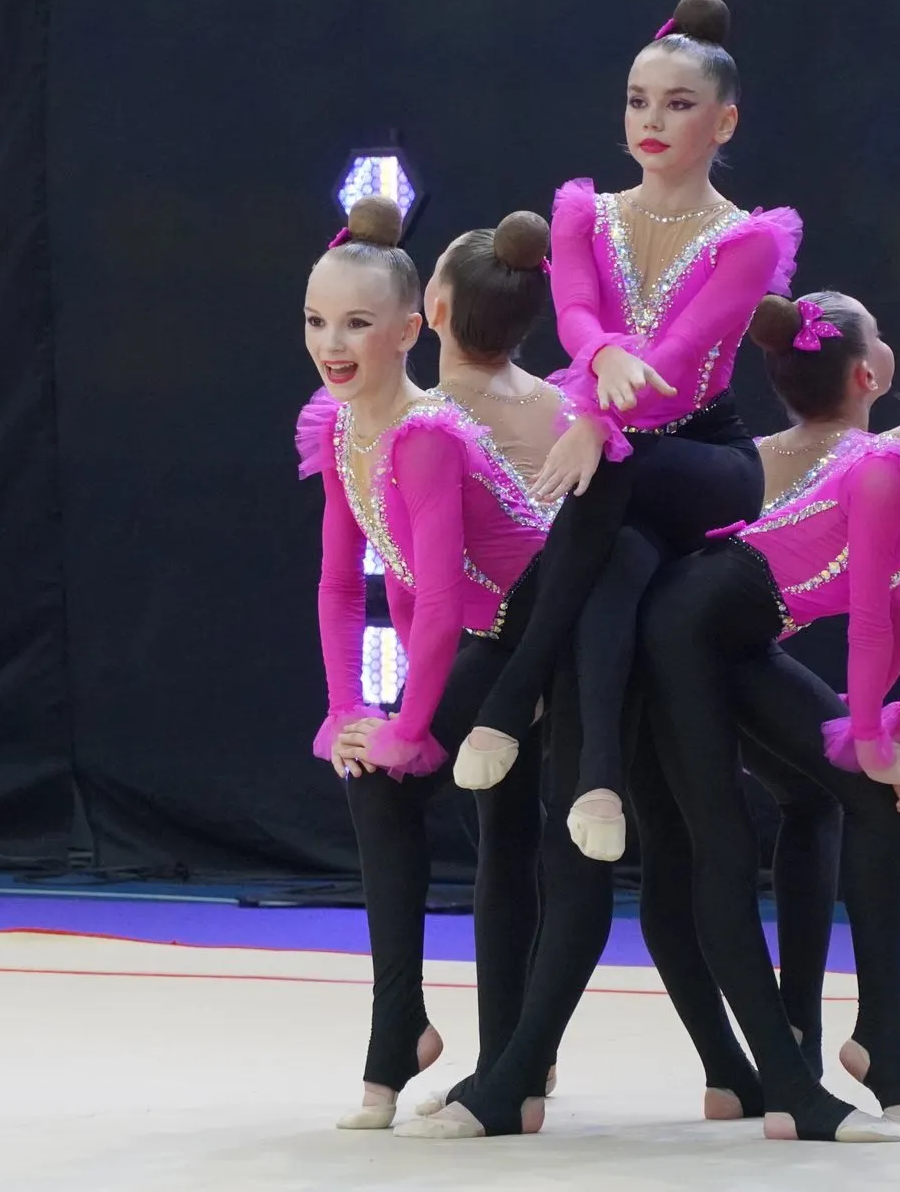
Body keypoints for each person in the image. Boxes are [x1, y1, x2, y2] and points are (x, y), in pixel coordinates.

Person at [636, 266, 900, 1139]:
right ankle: (790, 1092)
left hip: (742, 638)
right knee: (721, 844)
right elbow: (871, 623)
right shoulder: (883, 465)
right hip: (687, 624)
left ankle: (880, 1043)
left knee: (881, 802)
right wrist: (873, 736)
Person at [452, 0, 800, 873]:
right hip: (621, 456)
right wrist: (600, 374)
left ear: (724, 123)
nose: (651, 120)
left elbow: (676, 361)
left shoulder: (748, 240)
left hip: (708, 457)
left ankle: (516, 689)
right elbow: (573, 312)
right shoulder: (585, 213)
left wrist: (595, 427)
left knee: (612, 476)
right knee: (619, 554)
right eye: (639, 101)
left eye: (679, 105)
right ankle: (598, 780)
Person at [298, 198, 567, 1129]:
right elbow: (342, 584)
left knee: (456, 810)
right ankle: (457, 1045)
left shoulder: (425, 436)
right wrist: (347, 713)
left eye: (356, 324)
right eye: (316, 321)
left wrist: (410, 729)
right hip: (483, 638)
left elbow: (448, 601)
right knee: (429, 799)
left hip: (538, 634)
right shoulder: (341, 428)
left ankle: (473, 1057)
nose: (332, 344)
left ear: (412, 330)